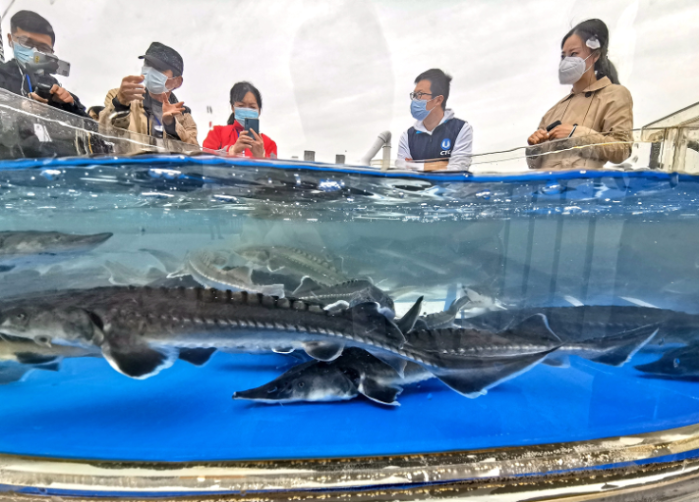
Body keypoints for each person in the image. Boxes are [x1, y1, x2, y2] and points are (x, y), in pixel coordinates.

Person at [526, 19, 633, 170]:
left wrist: (576, 134)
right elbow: (533, 166)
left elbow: (622, 150)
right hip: (545, 189)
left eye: (574, 53)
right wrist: (534, 147)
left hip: (584, 188)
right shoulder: (552, 112)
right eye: (564, 56)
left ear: (595, 55)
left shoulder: (614, 94)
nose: (567, 61)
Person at [99, 42, 198, 145]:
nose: (150, 71)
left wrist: (171, 125)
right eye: (147, 64)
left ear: (177, 81)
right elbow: (105, 135)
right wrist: (120, 106)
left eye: (159, 68)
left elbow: (193, 150)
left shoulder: (184, 115)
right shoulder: (118, 97)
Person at [0, 10, 86, 116]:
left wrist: (68, 105)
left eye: (43, 48)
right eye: (27, 42)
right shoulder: (2, 74)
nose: (35, 51)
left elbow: (88, 122)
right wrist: (19, 107)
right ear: (10, 39)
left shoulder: (52, 84)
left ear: (51, 52)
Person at [396, 69, 473, 171]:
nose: (414, 99)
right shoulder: (407, 136)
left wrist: (415, 166)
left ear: (438, 100)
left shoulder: (461, 128)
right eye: (414, 95)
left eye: (419, 94)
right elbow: (401, 169)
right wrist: (440, 165)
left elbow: (457, 169)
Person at [203, 81, 277, 158]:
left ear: (259, 111)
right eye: (241, 106)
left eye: (252, 107)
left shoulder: (269, 144)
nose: (246, 110)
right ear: (232, 108)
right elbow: (205, 162)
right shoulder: (216, 133)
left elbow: (274, 169)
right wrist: (232, 151)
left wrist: (262, 156)